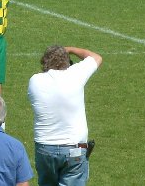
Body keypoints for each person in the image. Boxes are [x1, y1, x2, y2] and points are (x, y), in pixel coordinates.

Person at [27, 46, 103, 186]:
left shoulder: (35, 81)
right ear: (66, 62)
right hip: (74, 148)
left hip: (45, 148)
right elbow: (96, 57)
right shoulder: (75, 75)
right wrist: (70, 49)